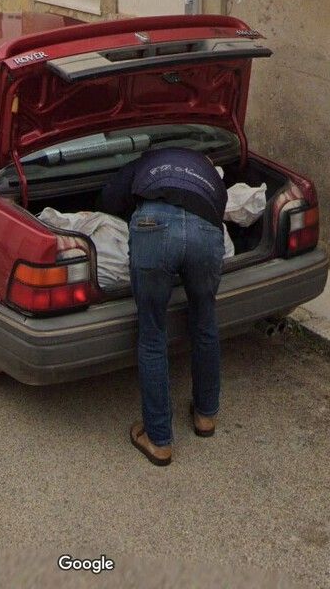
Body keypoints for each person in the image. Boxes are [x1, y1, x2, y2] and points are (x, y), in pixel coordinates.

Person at [99, 147, 227, 466]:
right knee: (205, 322)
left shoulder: (145, 162)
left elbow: (110, 200)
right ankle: (205, 415)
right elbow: (220, 209)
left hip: (153, 225)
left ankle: (158, 439)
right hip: (206, 232)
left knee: (153, 334)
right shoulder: (209, 172)